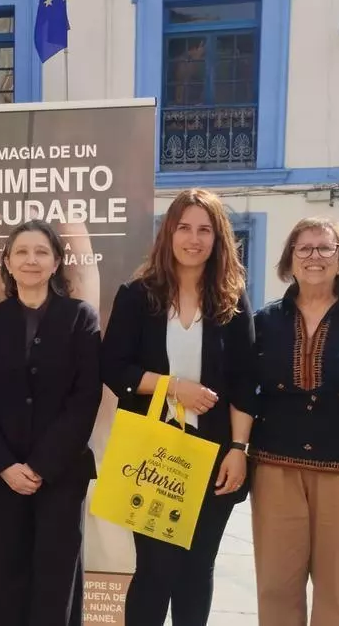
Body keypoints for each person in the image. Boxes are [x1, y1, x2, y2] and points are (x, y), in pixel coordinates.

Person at [100, 188, 255, 625]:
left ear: (217, 237)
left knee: (195, 568)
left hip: (214, 455)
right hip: (153, 452)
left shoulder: (232, 299)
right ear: (169, 233)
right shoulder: (138, 295)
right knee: (154, 570)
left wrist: (239, 451)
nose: (194, 238)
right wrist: (173, 387)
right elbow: (113, 367)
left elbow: (246, 382)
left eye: (204, 229)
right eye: (184, 227)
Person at [0, 219, 102, 626]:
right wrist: (4, 464)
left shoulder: (80, 318)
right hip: (0, 476)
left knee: (56, 583)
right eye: (21, 251)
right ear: (6, 261)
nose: (31, 260)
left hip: (61, 475)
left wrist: (40, 465)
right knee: (4, 579)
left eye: (41, 251)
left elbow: (85, 398)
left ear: (57, 262)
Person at [249, 217, 339, 626]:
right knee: (275, 585)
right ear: (290, 259)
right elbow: (243, 390)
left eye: (325, 248)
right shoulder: (265, 321)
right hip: (275, 466)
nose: (314, 257)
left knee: (333, 588)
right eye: (303, 249)